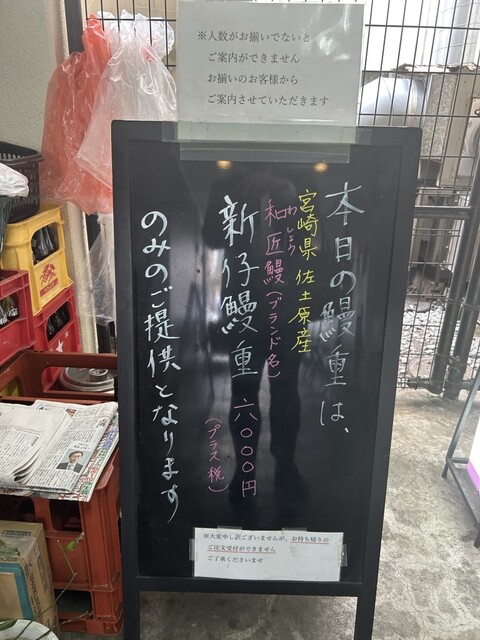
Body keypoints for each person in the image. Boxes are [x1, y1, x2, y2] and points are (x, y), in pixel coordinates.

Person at [203, 163, 308, 508]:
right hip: (243, 304)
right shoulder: (226, 183)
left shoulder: (297, 180)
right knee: (243, 389)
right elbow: (212, 237)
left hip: (289, 305)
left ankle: (286, 464)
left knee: (286, 390)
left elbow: (309, 235)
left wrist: (282, 188)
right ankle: (244, 469)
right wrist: (235, 196)